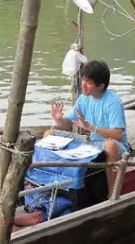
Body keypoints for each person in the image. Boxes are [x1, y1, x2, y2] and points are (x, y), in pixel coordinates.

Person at [49, 60, 130, 199]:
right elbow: (68, 123)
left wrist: (90, 127)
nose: (83, 85)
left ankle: (113, 194)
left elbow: (118, 135)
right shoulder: (83, 99)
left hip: (117, 147)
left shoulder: (112, 102)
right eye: (83, 80)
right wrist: (58, 119)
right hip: (92, 143)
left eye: (89, 83)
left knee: (109, 144)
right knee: (49, 133)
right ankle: (51, 184)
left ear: (101, 85)